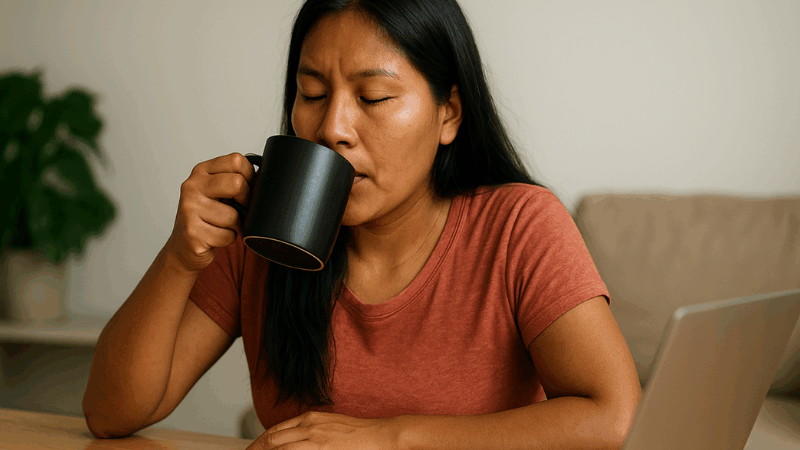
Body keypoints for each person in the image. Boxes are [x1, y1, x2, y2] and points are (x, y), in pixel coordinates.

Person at [83, 0, 641, 448]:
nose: (333, 128)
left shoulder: (518, 226)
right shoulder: (265, 226)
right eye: (312, 93)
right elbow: (111, 414)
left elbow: (612, 418)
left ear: (448, 113)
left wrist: (389, 438)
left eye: (373, 97)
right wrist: (180, 257)